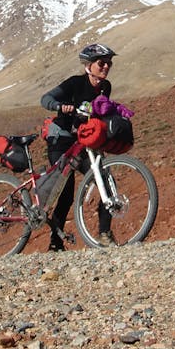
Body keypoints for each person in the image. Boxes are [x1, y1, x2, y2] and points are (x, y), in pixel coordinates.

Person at [40, 42, 117, 252]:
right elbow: (45, 98)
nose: (106, 67)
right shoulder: (74, 83)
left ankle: (104, 234)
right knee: (65, 192)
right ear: (89, 65)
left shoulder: (105, 87)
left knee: (104, 179)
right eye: (102, 63)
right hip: (61, 140)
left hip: (83, 141)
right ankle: (55, 242)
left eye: (109, 63)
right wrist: (58, 106)